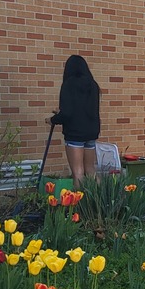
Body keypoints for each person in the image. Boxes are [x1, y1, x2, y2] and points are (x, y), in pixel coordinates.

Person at [49, 54, 101, 188]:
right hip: (91, 131)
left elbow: (67, 113)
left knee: (77, 172)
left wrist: (52, 120)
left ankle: (81, 204)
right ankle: (100, 202)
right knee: (90, 169)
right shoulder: (93, 85)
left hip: (75, 133)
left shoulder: (69, 84)